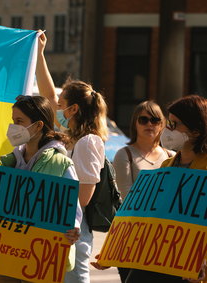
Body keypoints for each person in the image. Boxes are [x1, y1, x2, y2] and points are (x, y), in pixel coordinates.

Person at [0, 95, 82, 283]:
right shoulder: (10, 163)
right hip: (7, 254)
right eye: (13, 121)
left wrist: (74, 229)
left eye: (19, 121)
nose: (13, 127)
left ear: (38, 125)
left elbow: (73, 211)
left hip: (40, 258)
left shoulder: (61, 163)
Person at [36, 32, 108, 283]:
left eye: (63, 102)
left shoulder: (88, 143)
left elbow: (84, 197)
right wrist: (39, 55)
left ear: (74, 109)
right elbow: (48, 96)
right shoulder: (72, 136)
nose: (57, 106)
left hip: (73, 230)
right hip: (59, 222)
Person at [124, 95, 207, 283]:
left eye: (174, 124)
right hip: (159, 254)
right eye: (168, 123)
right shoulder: (167, 166)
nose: (167, 129)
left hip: (191, 261)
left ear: (195, 129)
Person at [90, 101, 174, 282]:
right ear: (135, 123)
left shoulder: (172, 157)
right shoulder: (124, 154)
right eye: (143, 120)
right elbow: (128, 199)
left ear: (162, 124)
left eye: (155, 120)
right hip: (133, 238)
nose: (150, 124)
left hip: (164, 239)